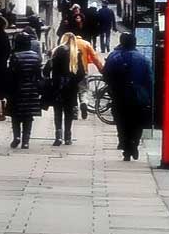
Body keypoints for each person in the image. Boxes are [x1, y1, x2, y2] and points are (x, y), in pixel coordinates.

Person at [44, 32, 103, 146]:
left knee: (58, 112)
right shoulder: (77, 53)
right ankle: (68, 137)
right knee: (69, 112)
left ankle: (58, 136)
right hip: (70, 88)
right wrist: (74, 82)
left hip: (57, 86)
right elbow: (81, 73)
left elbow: (46, 70)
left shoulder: (57, 51)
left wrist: (52, 78)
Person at [102, 33, 153, 161]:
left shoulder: (114, 57)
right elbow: (150, 79)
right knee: (137, 122)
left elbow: (106, 75)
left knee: (121, 121)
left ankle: (125, 146)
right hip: (138, 96)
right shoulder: (144, 59)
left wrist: (112, 88)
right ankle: (134, 143)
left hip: (119, 95)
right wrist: (150, 96)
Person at [7, 32, 44, 148]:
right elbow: (39, 75)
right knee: (28, 115)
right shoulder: (36, 57)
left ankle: (16, 136)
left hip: (17, 89)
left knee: (16, 114)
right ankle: (26, 140)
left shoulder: (15, 56)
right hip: (31, 89)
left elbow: (11, 74)